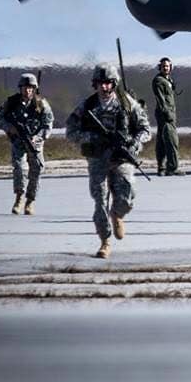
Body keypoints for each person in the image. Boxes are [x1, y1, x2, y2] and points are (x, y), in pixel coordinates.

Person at [66, 63, 152, 259]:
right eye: (100, 84)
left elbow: (145, 129)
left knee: (127, 197)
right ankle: (105, 242)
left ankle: (118, 215)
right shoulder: (87, 106)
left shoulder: (127, 103)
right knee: (100, 201)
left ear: (114, 84)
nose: (104, 88)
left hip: (122, 158)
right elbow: (70, 131)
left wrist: (134, 143)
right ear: (95, 85)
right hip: (98, 159)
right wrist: (92, 138)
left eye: (108, 83)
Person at [0, 73, 54, 215]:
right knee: (19, 169)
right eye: (25, 88)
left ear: (34, 89)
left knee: (37, 169)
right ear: (20, 88)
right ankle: (19, 198)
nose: (27, 91)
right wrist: (10, 128)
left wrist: (38, 137)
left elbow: (48, 124)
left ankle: (30, 201)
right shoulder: (11, 103)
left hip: (35, 143)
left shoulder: (41, 103)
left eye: (30, 88)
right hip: (18, 142)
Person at [152, 57, 181, 176]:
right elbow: (160, 99)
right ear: (160, 67)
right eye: (164, 66)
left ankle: (162, 167)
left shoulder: (168, 80)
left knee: (162, 141)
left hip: (169, 113)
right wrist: (167, 113)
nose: (166, 68)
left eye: (167, 66)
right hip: (165, 114)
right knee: (171, 140)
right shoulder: (159, 80)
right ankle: (172, 167)